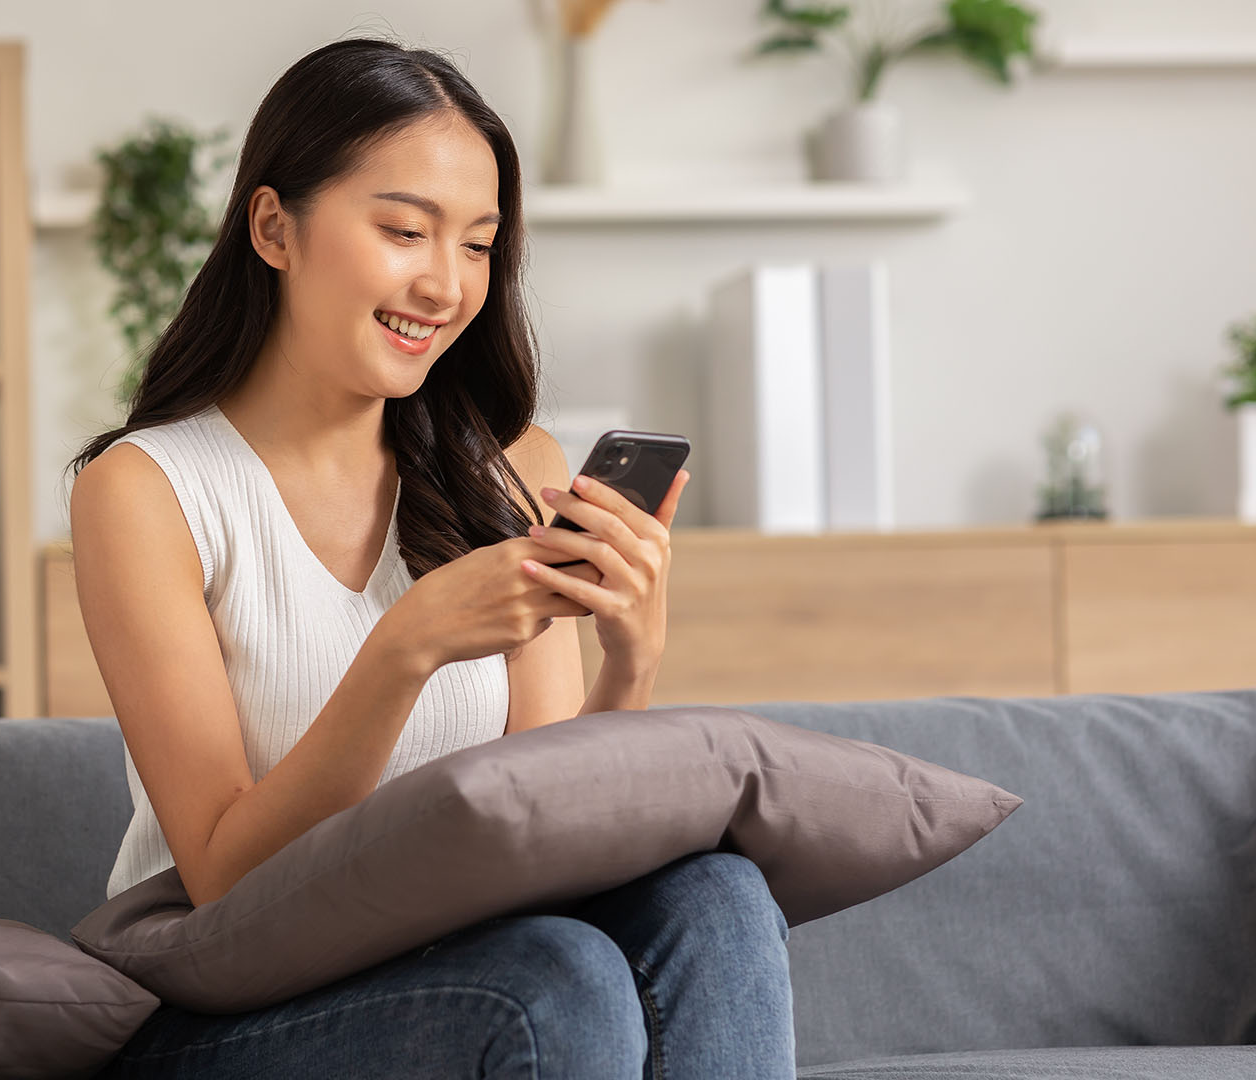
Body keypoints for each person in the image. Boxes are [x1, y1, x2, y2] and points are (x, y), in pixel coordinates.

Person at [64, 35, 794, 1080]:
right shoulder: (146, 491)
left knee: (715, 896)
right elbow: (224, 875)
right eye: (406, 230)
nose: (446, 285)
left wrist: (630, 659)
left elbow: (548, 832)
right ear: (275, 228)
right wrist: (402, 650)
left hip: (463, 963)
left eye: (478, 245)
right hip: (225, 1010)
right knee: (558, 979)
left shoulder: (506, 471)